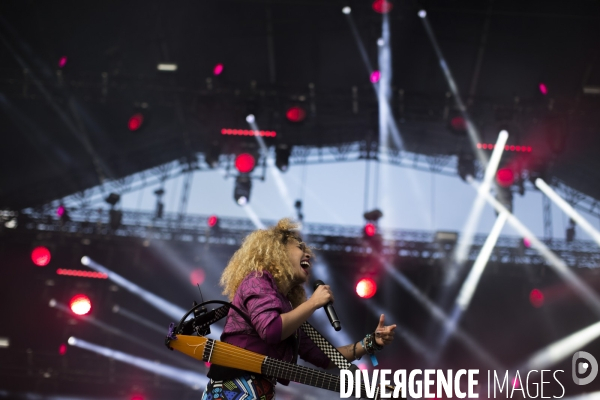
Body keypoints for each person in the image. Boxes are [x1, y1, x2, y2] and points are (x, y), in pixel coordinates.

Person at [202, 218, 396, 400]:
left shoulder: (286, 308)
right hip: (233, 387)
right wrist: (313, 303)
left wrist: (370, 342)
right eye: (300, 247)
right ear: (278, 252)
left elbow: (325, 357)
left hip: (257, 391)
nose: (308, 254)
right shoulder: (257, 280)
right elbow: (271, 330)